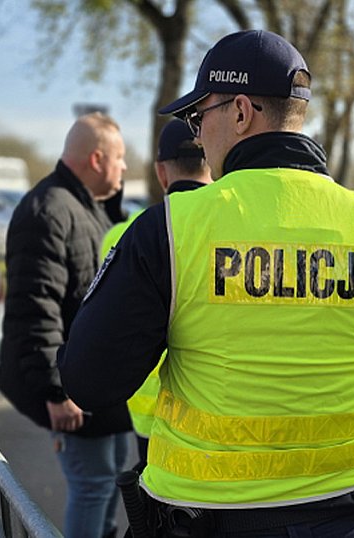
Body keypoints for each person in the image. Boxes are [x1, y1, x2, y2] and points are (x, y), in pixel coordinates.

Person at [58, 30, 354, 538]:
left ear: (240, 112)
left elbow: (88, 382)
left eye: (198, 117)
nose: (197, 136)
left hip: (203, 519)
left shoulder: (170, 229)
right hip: (346, 515)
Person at [0, 112, 132, 538]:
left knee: (108, 481)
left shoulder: (87, 207)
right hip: (72, 390)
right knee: (92, 487)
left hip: (94, 387)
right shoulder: (48, 210)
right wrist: (56, 390)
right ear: (97, 159)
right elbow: (34, 310)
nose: (125, 168)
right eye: (121, 158)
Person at [101, 119, 211, 466]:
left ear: (161, 172)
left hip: (148, 418)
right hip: (220, 420)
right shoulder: (233, 231)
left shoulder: (124, 235)